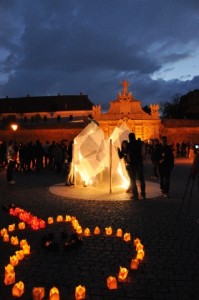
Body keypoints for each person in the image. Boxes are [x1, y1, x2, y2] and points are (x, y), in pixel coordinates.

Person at [126, 133, 146, 200]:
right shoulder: (139, 143)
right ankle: (143, 194)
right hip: (139, 162)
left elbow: (127, 153)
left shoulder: (129, 144)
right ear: (135, 137)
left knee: (133, 180)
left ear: (129, 138)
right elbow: (143, 148)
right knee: (141, 179)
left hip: (132, 164)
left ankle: (135, 195)